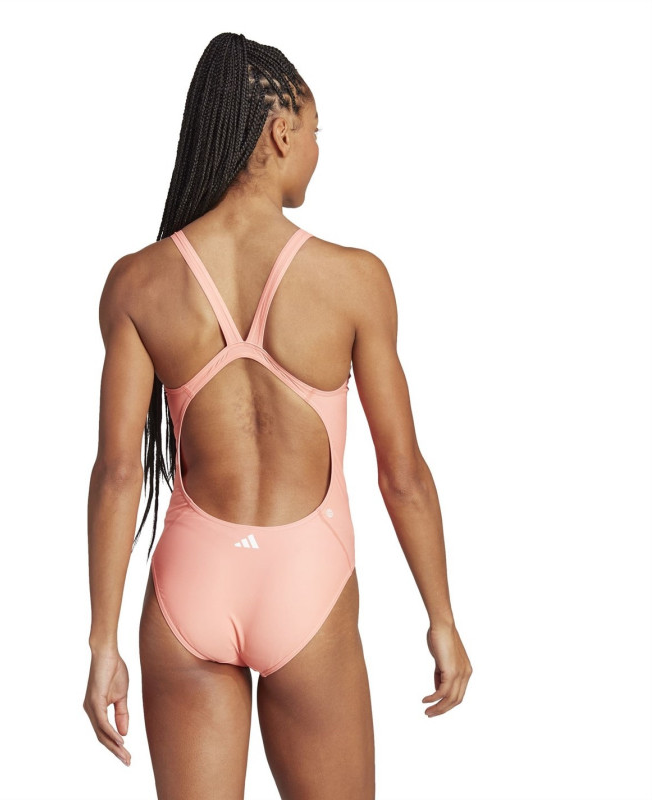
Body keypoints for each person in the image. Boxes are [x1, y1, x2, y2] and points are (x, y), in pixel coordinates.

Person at [83, 31, 472, 799]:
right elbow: (403, 475)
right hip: (306, 584)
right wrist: (442, 617)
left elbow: (117, 473)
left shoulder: (138, 283)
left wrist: (102, 641)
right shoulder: (354, 280)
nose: (318, 149)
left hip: (189, 584)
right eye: (317, 130)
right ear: (281, 131)